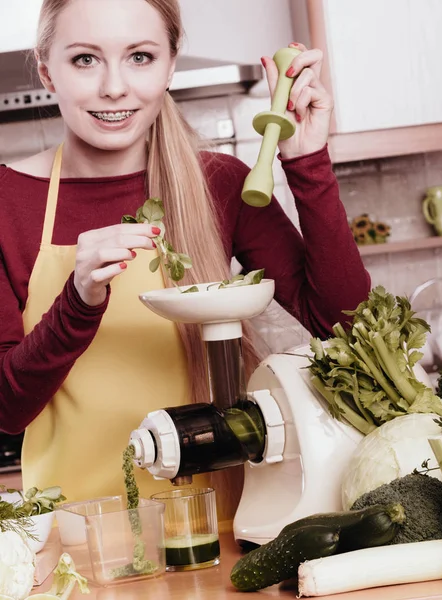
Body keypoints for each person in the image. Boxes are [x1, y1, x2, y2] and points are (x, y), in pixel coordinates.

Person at [0, 0, 370, 528]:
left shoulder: (222, 182)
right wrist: (78, 303)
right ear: (46, 71)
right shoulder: (7, 202)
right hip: (81, 539)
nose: (113, 86)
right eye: (85, 59)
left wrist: (307, 159)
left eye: (140, 57)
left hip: (229, 522)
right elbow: (7, 409)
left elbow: (346, 325)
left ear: (171, 64)